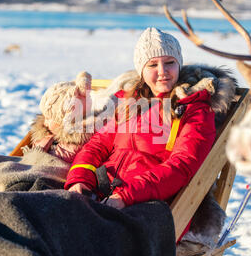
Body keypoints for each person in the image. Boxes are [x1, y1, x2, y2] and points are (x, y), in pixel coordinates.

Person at [65, 27, 216, 209]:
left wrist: (125, 196)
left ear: (179, 65)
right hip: (101, 193)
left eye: (169, 62)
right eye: (152, 65)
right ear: (141, 70)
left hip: (146, 205)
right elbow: (97, 145)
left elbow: (181, 166)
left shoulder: (194, 109)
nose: (163, 71)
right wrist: (80, 179)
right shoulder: (129, 103)